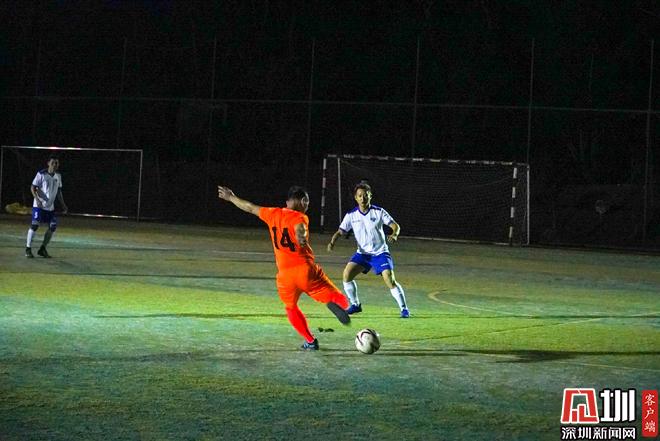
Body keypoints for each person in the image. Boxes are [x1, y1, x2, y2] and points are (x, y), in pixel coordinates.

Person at [217, 184, 350, 350]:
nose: (307, 206)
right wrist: (301, 237)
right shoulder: (300, 217)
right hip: (305, 270)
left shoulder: (272, 213)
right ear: (303, 200)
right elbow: (300, 228)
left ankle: (310, 341)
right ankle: (342, 306)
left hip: (285, 277)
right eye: (307, 202)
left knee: (291, 308)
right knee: (338, 298)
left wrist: (230, 197)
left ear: (287, 202)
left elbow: (250, 207)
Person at [327, 182, 410, 318]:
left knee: (389, 279)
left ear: (370, 196)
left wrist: (394, 234)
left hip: (380, 253)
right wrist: (332, 242)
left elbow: (396, 226)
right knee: (347, 275)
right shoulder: (351, 215)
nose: (363, 198)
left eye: (365, 195)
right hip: (363, 254)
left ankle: (404, 309)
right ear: (356, 198)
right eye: (360, 196)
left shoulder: (379, 212)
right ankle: (355, 305)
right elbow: (340, 231)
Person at [25, 156, 68, 258]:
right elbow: (33, 187)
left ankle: (42, 249)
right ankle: (28, 249)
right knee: (35, 225)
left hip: (50, 207)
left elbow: (59, 192)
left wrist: (63, 204)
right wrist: (37, 199)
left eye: (56, 163)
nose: (55, 165)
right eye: (53, 163)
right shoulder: (41, 174)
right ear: (48, 163)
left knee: (52, 227)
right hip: (39, 206)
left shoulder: (58, 176)